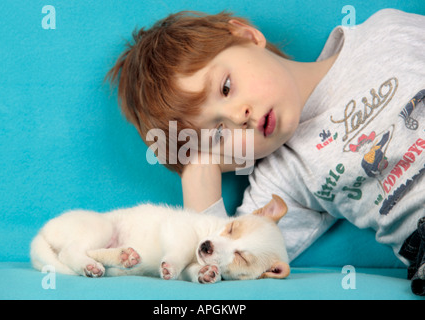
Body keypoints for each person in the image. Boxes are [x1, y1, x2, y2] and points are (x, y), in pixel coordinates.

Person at [106, 9, 425, 295]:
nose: (237, 116)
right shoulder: (282, 178)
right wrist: (199, 168)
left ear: (247, 36)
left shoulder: (385, 32)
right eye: (218, 134)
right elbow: (220, 265)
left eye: (226, 87)